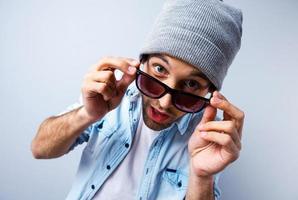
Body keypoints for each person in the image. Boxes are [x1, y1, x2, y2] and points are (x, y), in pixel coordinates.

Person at [31, 0, 244, 199]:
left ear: (210, 92)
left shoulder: (208, 134)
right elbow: (39, 149)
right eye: (160, 69)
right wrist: (86, 114)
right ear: (141, 61)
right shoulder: (111, 93)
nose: (164, 102)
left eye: (191, 84)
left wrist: (201, 177)